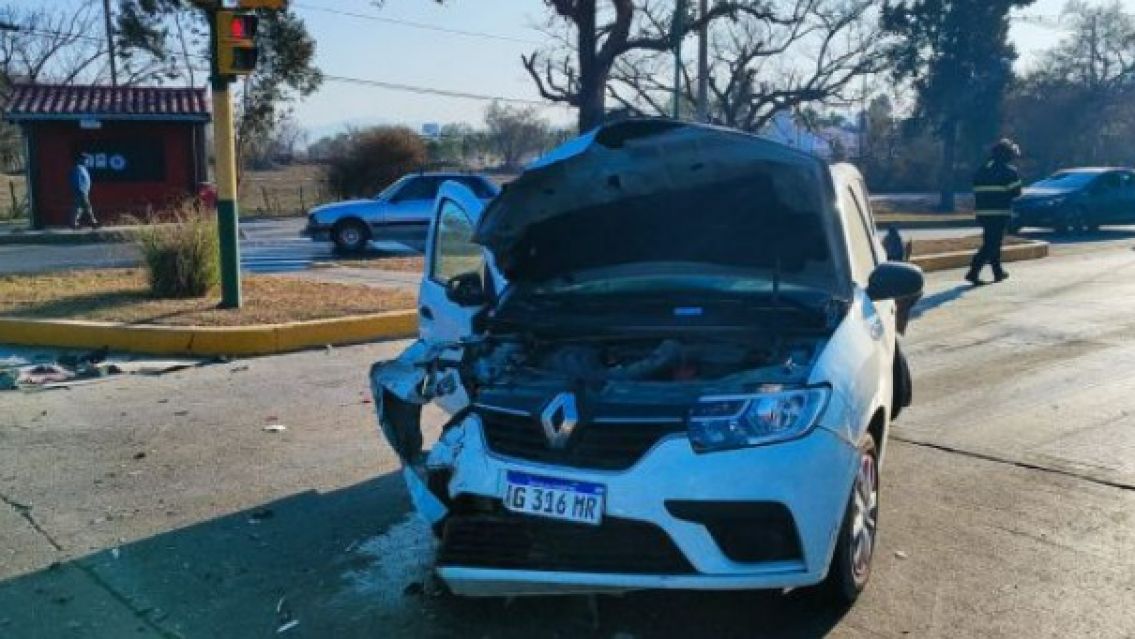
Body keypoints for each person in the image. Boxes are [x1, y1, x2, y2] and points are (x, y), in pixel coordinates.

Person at [965, 139, 1022, 285]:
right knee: (992, 244)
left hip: (983, 213)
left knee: (992, 242)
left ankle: (998, 272)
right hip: (999, 213)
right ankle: (973, 272)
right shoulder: (1009, 171)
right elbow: (1016, 192)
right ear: (1007, 155)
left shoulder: (982, 169)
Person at [70, 154, 98, 229]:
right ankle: (93, 222)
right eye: (85, 159)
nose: (87, 161)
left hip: (84, 191)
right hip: (81, 192)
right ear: (80, 159)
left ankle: (74, 223)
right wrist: (81, 191)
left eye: (87, 159)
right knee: (87, 207)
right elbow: (77, 181)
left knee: (79, 208)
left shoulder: (83, 168)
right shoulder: (78, 168)